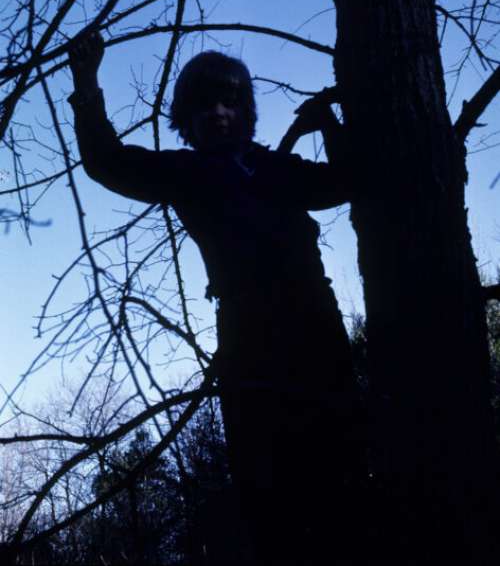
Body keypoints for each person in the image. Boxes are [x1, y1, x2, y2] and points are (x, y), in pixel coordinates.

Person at [68, 30, 363, 564]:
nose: (220, 114)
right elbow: (106, 162)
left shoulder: (278, 169)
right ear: (188, 118)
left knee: (343, 480)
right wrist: (87, 83)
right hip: (250, 345)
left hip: (318, 333)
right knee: (269, 498)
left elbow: (346, 182)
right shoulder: (186, 173)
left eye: (230, 102)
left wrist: (329, 124)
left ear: (246, 110)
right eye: (205, 106)